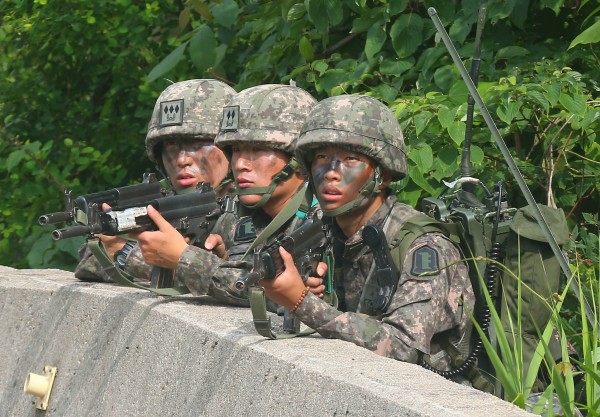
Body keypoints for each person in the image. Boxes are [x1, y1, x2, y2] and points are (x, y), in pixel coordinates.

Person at [259, 94, 476, 372]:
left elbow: (402, 347)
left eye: (350, 159)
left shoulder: (423, 247)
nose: (330, 173)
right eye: (322, 157)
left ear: (382, 176)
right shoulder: (322, 225)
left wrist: (302, 302)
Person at [129, 84, 325, 307]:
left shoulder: (322, 222)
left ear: (298, 160)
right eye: (236, 150)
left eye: (258, 150)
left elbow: (272, 293)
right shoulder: (238, 214)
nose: (240, 164)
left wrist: (182, 259)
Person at [74, 79, 236, 282]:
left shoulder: (250, 213)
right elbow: (90, 262)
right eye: (170, 144)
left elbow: (247, 286)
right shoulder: (163, 207)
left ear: (231, 148)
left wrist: (128, 255)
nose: (182, 159)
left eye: (198, 143)